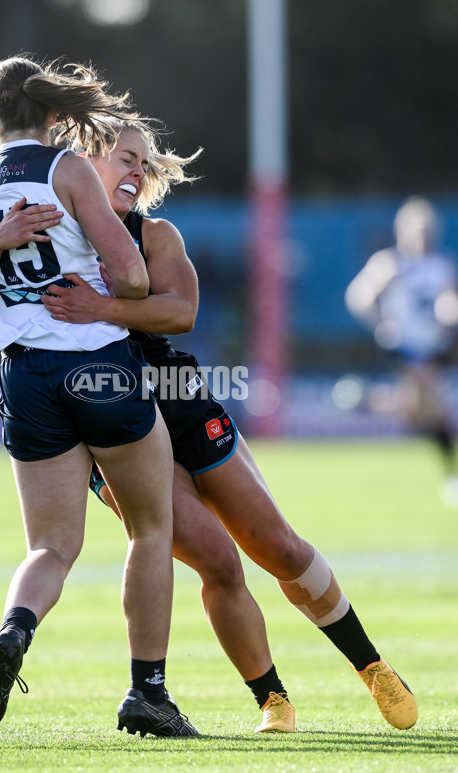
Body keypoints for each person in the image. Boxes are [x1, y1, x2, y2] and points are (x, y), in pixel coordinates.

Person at [38, 118, 418, 732]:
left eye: (144, 162)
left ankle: (371, 665)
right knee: (219, 561)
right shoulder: (47, 237)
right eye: (125, 157)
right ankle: (274, 701)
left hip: (178, 399)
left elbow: (181, 312)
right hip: (110, 424)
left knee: (279, 547)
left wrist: (99, 307)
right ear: (81, 162)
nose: (138, 170)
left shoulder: (154, 235)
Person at [0, 55, 198, 738]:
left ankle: (13, 631)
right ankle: (148, 692)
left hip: (23, 376)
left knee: (51, 546)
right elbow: (134, 277)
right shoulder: (67, 169)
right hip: (97, 364)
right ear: (55, 117)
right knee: (149, 528)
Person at [346, 196, 458, 503]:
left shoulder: (440, 265)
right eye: (418, 230)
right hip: (403, 346)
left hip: (432, 347)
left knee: (423, 412)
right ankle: (453, 476)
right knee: (431, 400)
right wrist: (380, 320)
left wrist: (449, 317)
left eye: (428, 230)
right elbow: (358, 295)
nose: (423, 237)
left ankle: (364, 401)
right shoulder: (391, 264)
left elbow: (448, 301)